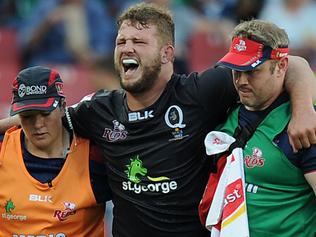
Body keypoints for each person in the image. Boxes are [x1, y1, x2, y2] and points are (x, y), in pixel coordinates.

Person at [1, 2, 316, 237]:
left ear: (167, 53)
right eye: (121, 42)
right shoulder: (99, 110)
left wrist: (304, 109)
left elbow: (295, 64)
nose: (127, 48)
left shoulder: (200, 92)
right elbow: (43, 117)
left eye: (139, 43)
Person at [206, 19, 316, 236]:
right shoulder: (225, 106)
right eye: (236, 70)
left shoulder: (302, 128)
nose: (241, 81)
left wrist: (304, 108)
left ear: (281, 66)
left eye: (252, 71)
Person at [0, 66, 111, 236]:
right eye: (28, 116)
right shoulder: (2, 151)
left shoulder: (94, 156)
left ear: (62, 107)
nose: (37, 125)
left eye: (45, 114)